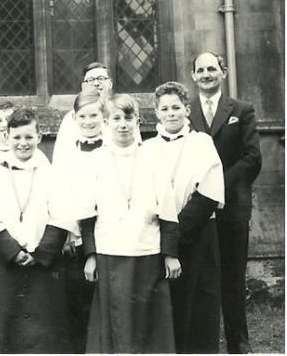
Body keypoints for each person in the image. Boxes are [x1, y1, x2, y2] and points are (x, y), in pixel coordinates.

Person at [80, 94, 179, 353]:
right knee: (116, 319)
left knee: (149, 319)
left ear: (138, 122)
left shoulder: (154, 158)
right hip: (110, 251)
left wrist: (170, 254)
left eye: (128, 118)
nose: (122, 124)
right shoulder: (95, 161)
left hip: (147, 250)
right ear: (106, 122)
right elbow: (87, 213)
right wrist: (90, 255)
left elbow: (168, 209)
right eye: (116, 118)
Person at [0, 108, 75, 354]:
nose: (23, 143)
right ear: (7, 137)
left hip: (43, 264)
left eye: (29, 137)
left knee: (44, 336)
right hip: (3, 263)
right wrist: (11, 251)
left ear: (39, 137)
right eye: (17, 137)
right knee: (2, 333)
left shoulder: (52, 173)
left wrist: (40, 253)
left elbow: (62, 215)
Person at [142, 81, 225, 352]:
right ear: (156, 112)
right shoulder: (147, 149)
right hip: (159, 238)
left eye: (176, 107)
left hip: (198, 234)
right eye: (164, 108)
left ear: (187, 109)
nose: (171, 113)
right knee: (168, 308)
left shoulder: (202, 143)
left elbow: (209, 193)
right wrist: (166, 236)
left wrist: (175, 233)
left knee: (200, 306)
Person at [188, 52, 262, 353]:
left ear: (224, 72)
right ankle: (199, 346)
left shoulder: (241, 110)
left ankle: (238, 344)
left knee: (231, 279)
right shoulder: (185, 111)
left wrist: (217, 187)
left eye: (212, 69)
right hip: (195, 212)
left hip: (231, 209)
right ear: (193, 76)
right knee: (199, 281)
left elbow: (252, 158)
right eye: (200, 70)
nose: (206, 74)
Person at [54, 88, 105, 352]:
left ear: (102, 116)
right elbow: (61, 196)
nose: (88, 121)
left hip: (107, 239)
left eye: (94, 115)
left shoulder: (111, 151)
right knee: (75, 304)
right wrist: (66, 234)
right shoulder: (67, 155)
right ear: (75, 118)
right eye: (83, 116)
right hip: (73, 239)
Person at [52, 62, 113, 165]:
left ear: (110, 84)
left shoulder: (121, 114)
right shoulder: (71, 118)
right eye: (91, 80)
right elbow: (60, 157)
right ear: (83, 86)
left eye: (101, 79)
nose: (96, 84)